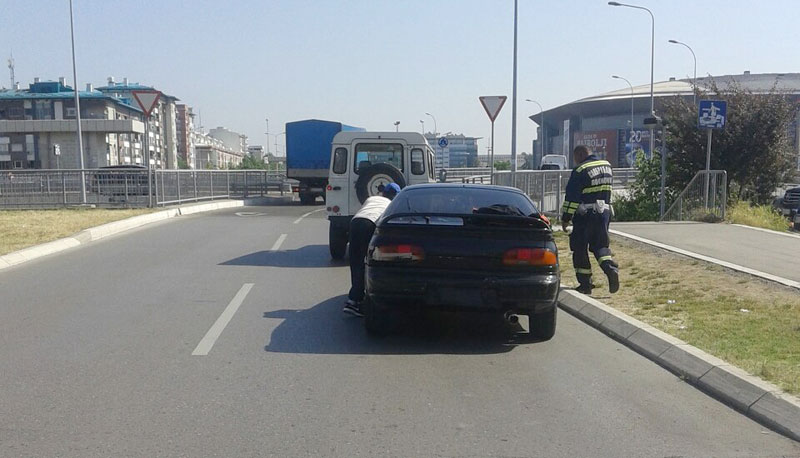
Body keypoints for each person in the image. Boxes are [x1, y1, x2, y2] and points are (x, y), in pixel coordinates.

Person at [560, 145, 619, 295]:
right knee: (601, 246)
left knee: (579, 247)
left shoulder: (580, 170)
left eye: (575, 158)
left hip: (585, 214)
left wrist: (566, 218)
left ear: (580, 154)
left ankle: (585, 284)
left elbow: (572, 198)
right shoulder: (607, 166)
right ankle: (610, 269)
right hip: (604, 212)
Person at [343, 182, 401, 316]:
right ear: (395, 196)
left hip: (355, 223)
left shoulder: (371, 198)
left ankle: (353, 300)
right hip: (370, 225)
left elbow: (365, 211)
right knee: (367, 262)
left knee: (355, 262)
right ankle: (358, 300)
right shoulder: (392, 205)